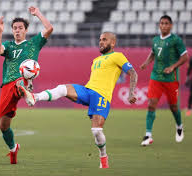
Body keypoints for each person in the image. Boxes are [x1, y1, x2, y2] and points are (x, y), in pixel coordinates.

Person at [20, 32, 138, 169]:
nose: (101, 42)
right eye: (100, 39)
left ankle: (103, 156)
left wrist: (131, 92)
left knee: (96, 131)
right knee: (62, 88)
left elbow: (133, 73)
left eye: (104, 40)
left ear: (113, 43)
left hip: (102, 96)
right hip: (88, 91)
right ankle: (35, 97)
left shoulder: (118, 56)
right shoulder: (96, 60)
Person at [0, 6, 53, 164]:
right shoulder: (9, 46)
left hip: (22, 80)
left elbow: (49, 28)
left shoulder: (33, 43)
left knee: (20, 82)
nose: (17, 30)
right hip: (7, 85)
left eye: (20, 28)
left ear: (26, 30)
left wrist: (38, 13)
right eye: (14, 28)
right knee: (3, 125)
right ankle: (13, 148)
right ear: (12, 31)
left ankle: (26, 90)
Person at [140, 15, 188, 146]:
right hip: (156, 77)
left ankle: (179, 126)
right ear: (159, 25)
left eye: (166, 23)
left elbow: (185, 57)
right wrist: (146, 62)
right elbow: (153, 53)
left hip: (170, 79)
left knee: (173, 107)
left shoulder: (175, 40)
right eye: (162, 23)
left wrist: (173, 67)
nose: (164, 25)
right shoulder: (155, 39)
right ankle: (148, 135)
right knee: (151, 104)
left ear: (171, 25)